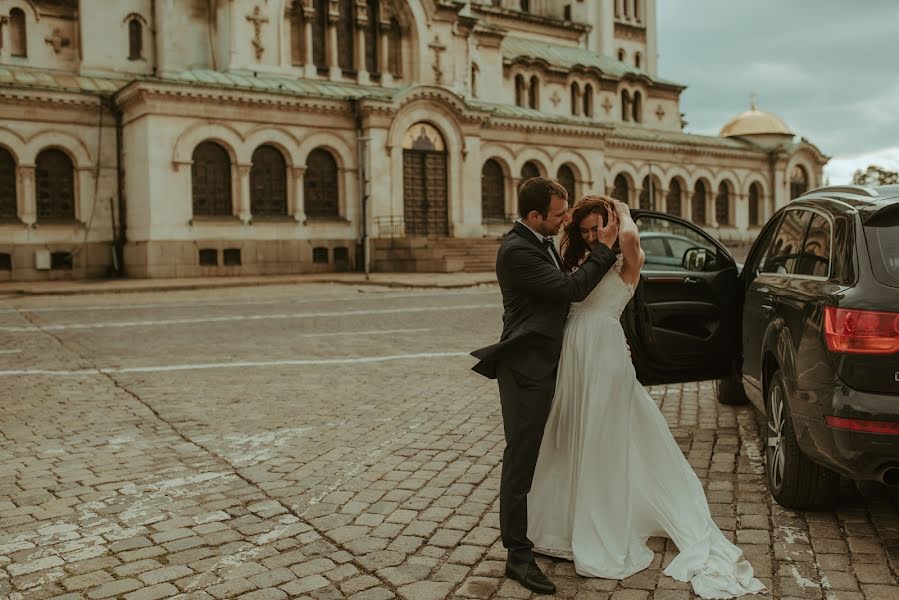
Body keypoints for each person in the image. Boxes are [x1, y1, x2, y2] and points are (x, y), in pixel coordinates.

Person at [527, 195, 766, 599]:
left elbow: (631, 236)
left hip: (603, 350)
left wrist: (618, 211)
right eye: (583, 230)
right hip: (575, 352)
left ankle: (601, 519)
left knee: (604, 433)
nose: (590, 236)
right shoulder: (583, 257)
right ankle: (564, 521)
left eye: (596, 228)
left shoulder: (627, 255)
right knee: (572, 429)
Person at [470, 178, 620, 594]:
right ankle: (518, 556)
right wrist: (605, 249)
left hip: (547, 363)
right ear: (535, 216)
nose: (566, 219)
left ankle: (544, 528)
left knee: (542, 452)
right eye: (559, 215)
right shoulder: (518, 251)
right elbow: (571, 289)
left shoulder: (540, 241)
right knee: (520, 459)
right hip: (526, 369)